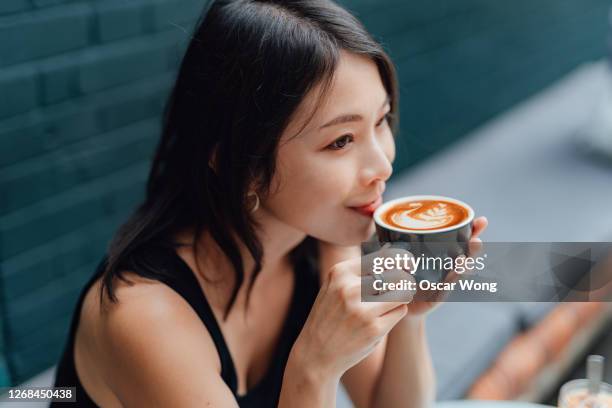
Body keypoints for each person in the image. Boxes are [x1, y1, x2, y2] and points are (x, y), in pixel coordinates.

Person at [52, 0, 488, 406]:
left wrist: (409, 317)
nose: (382, 166)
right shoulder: (145, 318)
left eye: (381, 120)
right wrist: (312, 370)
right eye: (340, 141)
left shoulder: (323, 242)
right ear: (243, 164)